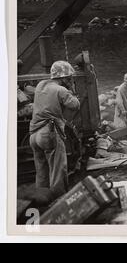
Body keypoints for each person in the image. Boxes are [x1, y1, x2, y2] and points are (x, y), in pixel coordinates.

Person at [29, 61, 80, 198]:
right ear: (64, 78)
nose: (70, 79)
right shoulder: (61, 90)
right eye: (69, 77)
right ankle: (58, 198)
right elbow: (75, 105)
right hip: (48, 133)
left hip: (33, 135)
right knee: (58, 167)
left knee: (41, 169)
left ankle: (42, 198)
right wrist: (71, 89)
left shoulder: (40, 85)